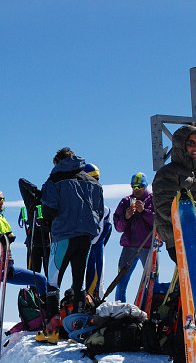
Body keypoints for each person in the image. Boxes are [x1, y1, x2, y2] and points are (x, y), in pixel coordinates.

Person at [0, 189, 48, 363]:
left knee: (40, 280)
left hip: (6, 267)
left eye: (3, 199)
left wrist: (7, 239)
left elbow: (6, 240)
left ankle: (47, 322)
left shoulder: (1, 219)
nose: (1, 202)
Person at [38, 147, 105, 342]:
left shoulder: (55, 179)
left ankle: (53, 329)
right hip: (86, 234)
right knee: (78, 280)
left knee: (53, 279)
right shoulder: (92, 181)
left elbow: (49, 208)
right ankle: (77, 326)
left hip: (64, 234)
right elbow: (99, 211)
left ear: (58, 161)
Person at [153, 124, 196, 262]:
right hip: (178, 240)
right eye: (191, 143)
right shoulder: (167, 173)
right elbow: (166, 209)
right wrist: (191, 209)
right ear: (180, 145)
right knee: (193, 281)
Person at [112, 172, 155, 302]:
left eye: (140, 186)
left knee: (152, 283)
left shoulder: (153, 200)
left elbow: (159, 223)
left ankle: (151, 310)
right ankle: (120, 310)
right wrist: (126, 217)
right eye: (133, 186)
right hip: (129, 246)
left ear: (146, 185)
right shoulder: (125, 201)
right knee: (121, 282)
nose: (136, 189)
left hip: (148, 246)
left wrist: (144, 212)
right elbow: (118, 227)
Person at [82, 163, 112, 299]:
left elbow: (102, 234)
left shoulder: (103, 207)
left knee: (97, 277)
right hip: (87, 244)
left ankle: (96, 298)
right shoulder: (83, 199)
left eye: (96, 179)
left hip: (94, 245)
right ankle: (89, 299)